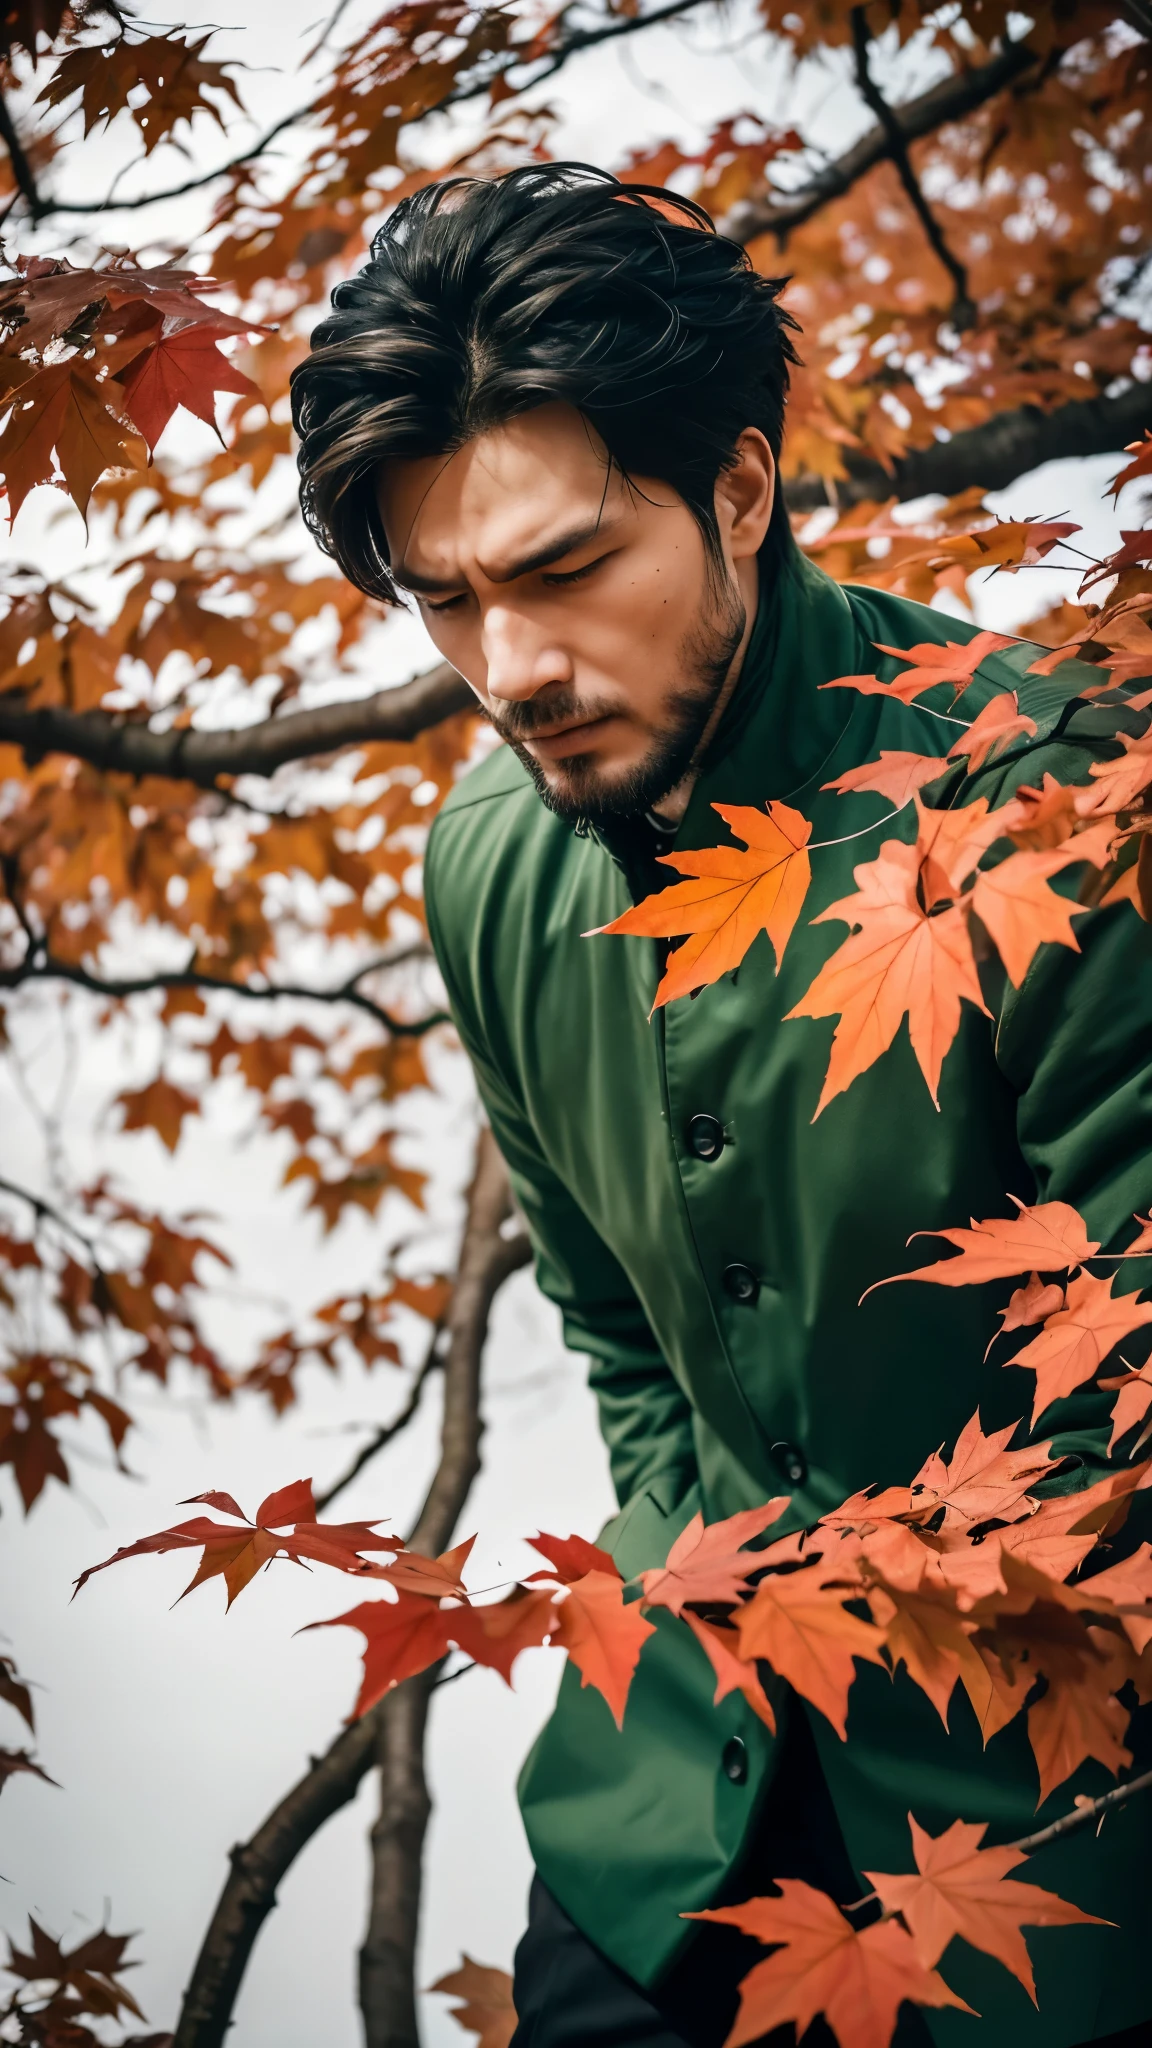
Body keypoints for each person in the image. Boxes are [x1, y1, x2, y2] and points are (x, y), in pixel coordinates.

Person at [291, 165, 1152, 2048]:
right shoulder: (491, 868)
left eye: (566, 569)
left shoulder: (1059, 801)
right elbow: (616, 1331)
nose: (508, 669)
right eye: (444, 602)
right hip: (662, 1830)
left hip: (1055, 1865)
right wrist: (713, 1579)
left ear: (744, 491)